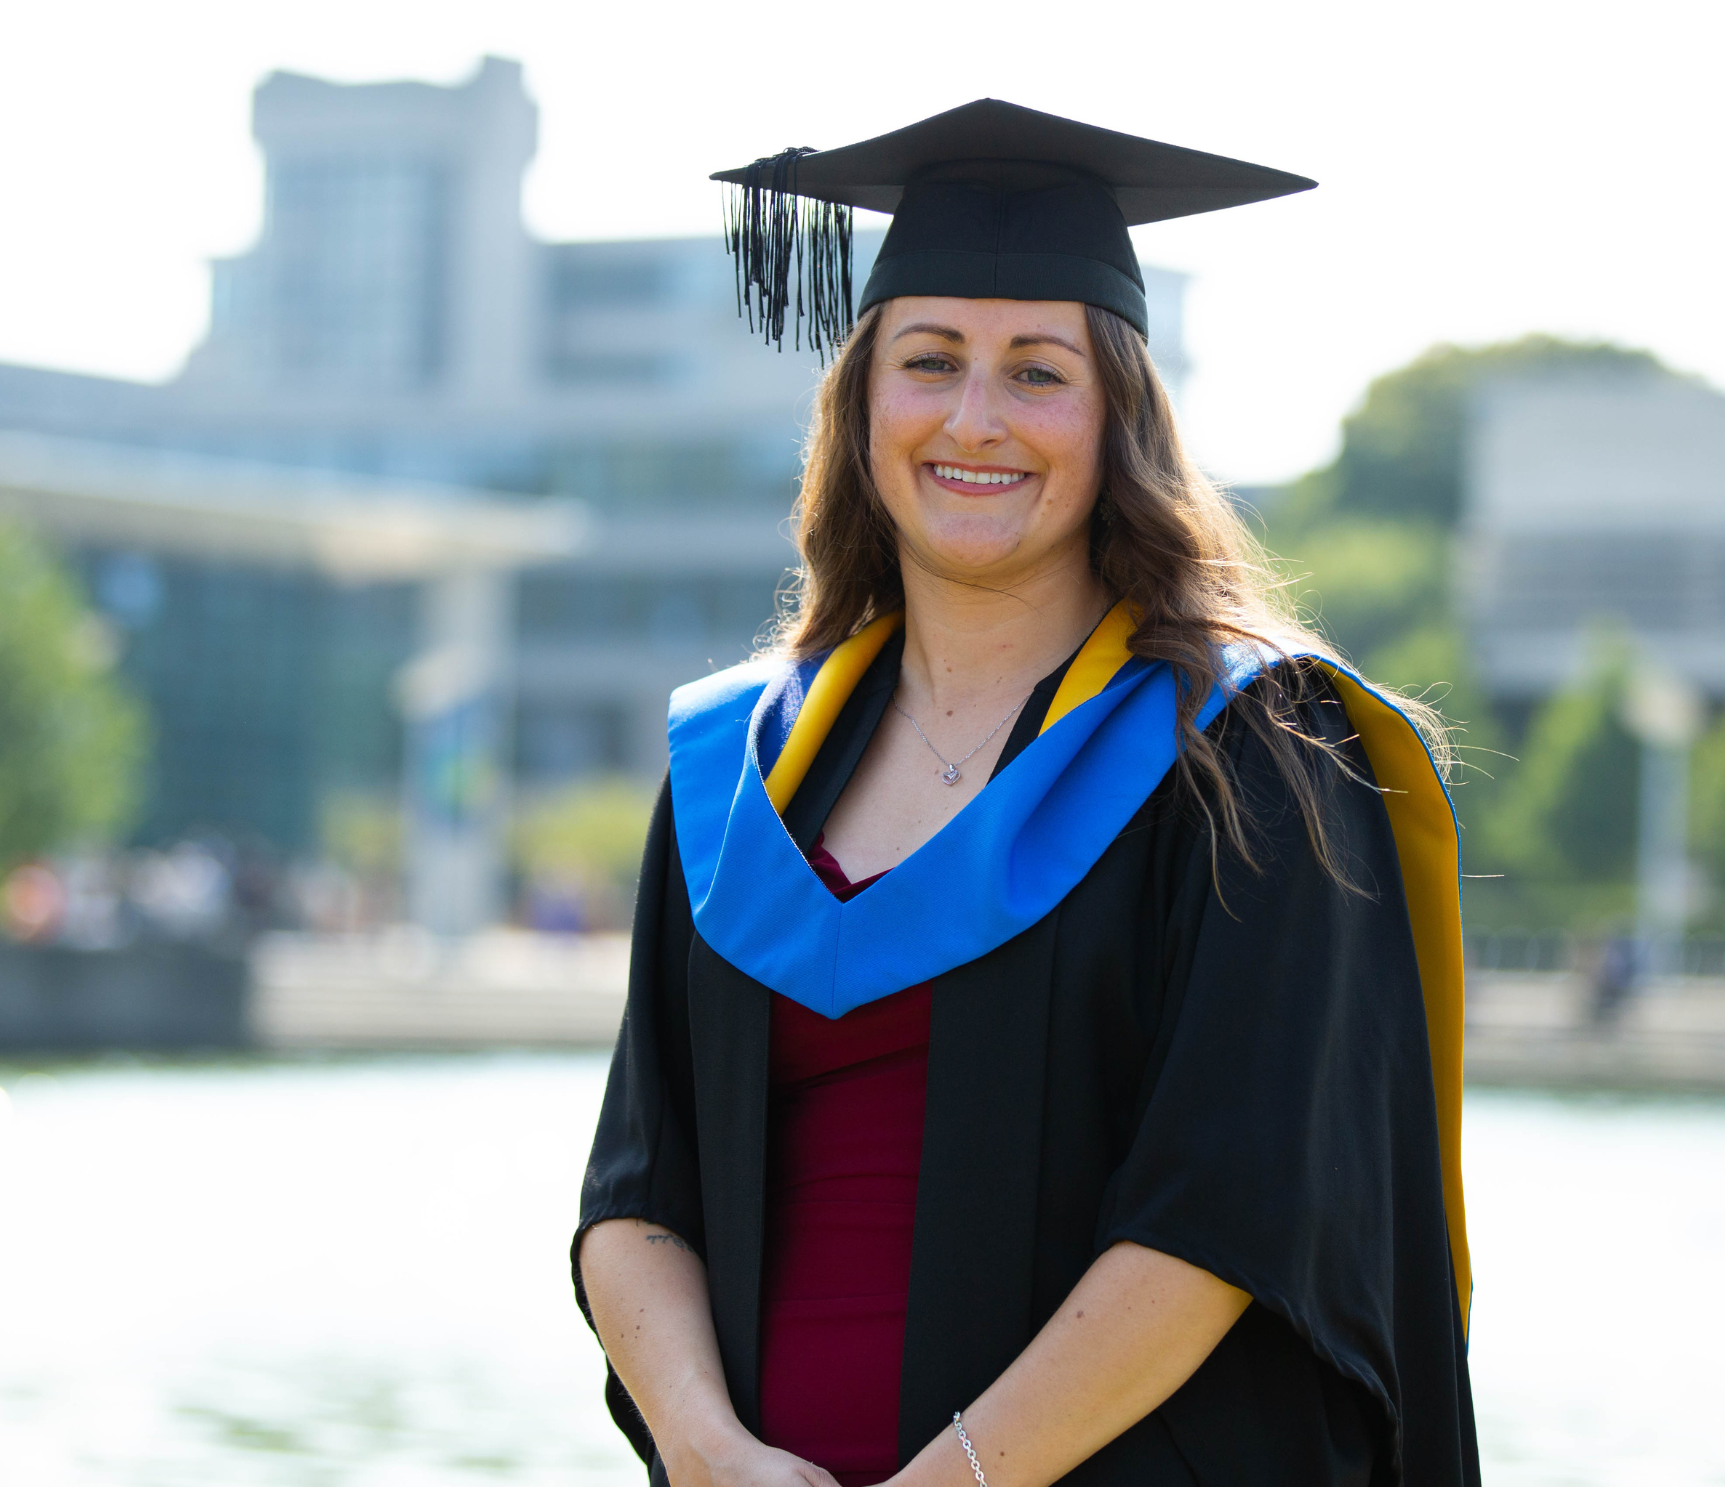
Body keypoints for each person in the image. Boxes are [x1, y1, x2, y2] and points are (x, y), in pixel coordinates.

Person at [573, 100, 1479, 1487]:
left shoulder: (1253, 756)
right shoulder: (735, 769)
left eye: (1037, 372)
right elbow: (638, 1190)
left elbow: (1230, 1215)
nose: (974, 417)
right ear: (861, 401)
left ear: (1119, 413)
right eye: (927, 361)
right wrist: (704, 1453)